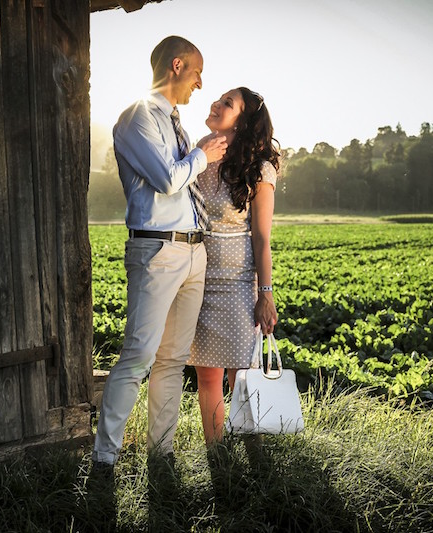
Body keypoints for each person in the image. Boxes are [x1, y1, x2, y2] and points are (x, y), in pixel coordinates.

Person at [91, 36, 228, 471]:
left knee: (171, 360)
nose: (201, 84)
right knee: (138, 356)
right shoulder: (137, 116)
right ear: (176, 65)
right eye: (197, 72)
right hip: (157, 250)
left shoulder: (175, 123)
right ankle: (104, 460)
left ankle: (161, 455)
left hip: (192, 252)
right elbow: (169, 180)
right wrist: (203, 156)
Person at [188, 87, 281, 447]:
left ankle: (256, 454)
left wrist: (265, 294)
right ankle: (217, 456)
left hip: (237, 284)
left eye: (228, 103)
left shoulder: (259, 169)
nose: (216, 103)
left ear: (243, 122)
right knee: (207, 377)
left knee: (242, 375)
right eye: (220, 98)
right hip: (195, 279)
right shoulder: (199, 152)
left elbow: (261, 238)